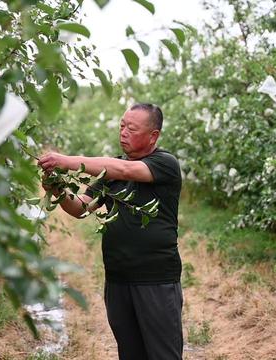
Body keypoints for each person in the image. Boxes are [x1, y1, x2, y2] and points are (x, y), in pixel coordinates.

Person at [38, 103, 183, 360]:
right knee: (130, 354)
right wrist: (57, 188)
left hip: (155, 279)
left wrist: (67, 161)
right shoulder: (112, 171)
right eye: (122, 126)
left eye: (132, 128)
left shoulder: (164, 163)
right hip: (118, 279)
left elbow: (128, 170)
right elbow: (82, 207)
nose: (123, 132)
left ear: (154, 136)